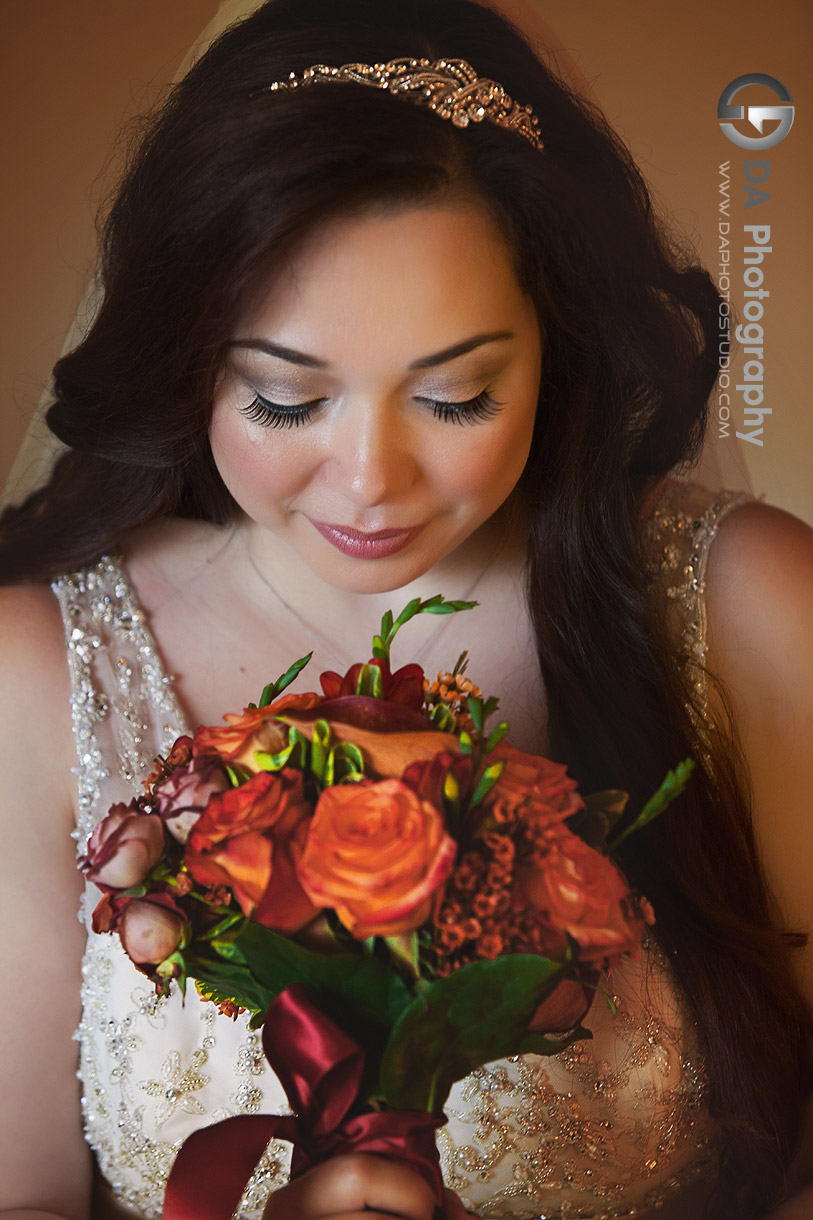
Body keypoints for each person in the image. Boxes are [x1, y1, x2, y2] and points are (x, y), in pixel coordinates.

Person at [0, 1, 811, 1218]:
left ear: (559, 344)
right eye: (284, 401)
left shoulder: (747, 601)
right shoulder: (42, 669)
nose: (372, 482)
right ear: (191, 358)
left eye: (457, 394)